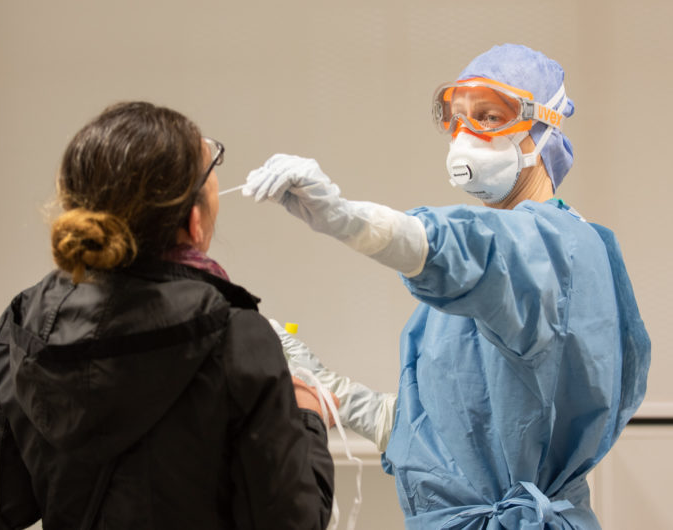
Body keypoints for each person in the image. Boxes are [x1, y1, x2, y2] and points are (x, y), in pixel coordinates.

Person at [244, 44, 650, 529]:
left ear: (542, 131)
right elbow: (456, 427)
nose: (465, 135)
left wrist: (344, 218)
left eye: (488, 117)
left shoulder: (552, 251)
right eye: (455, 119)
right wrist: (339, 394)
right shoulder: (496, 269)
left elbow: (459, 250)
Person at [0, 101, 337, 530]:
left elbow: (3, 505)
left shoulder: (24, 320)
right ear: (195, 222)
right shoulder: (234, 337)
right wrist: (306, 415)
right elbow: (295, 523)